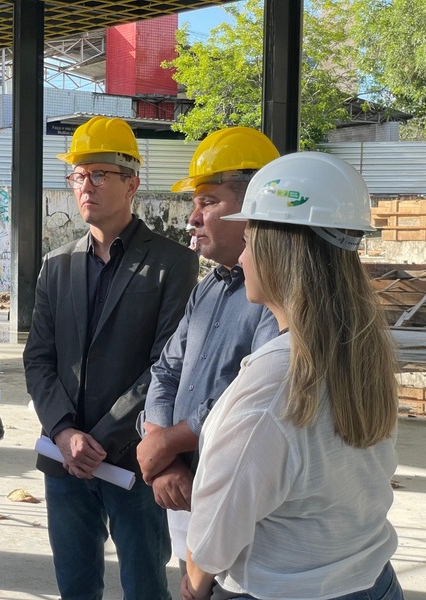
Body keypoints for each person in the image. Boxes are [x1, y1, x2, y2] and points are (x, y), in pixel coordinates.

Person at [183, 152, 404, 600]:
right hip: (370, 581)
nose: (242, 256)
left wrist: (192, 589)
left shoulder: (277, 379)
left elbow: (212, 536)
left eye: (250, 241)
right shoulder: (359, 350)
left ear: (277, 249)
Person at [24, 115, 199, 600]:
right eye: (79, 175)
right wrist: (64, 432)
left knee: (145, 586)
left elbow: (168, 365)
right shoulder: (56, 266)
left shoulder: (171, 263)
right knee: (75, 587)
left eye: (100, 174)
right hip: (65, 460)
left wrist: (97, 440)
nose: (87, 186)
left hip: (134, 461)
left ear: (132, 183)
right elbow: (38, 358)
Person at [136, 127, 280, 588]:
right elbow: (167, 369)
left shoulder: (275, 299)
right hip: (183, 491)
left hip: (238, 507)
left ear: (253, 206)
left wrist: (166, 443)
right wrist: (164, 449)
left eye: (208, 202)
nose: (192, 219)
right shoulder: (209, 288)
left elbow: (247, 399)